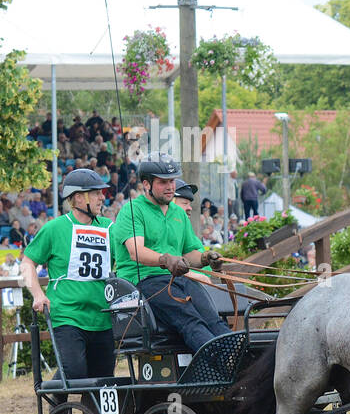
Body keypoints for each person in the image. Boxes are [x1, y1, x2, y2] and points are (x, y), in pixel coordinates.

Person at [112, 155, 229, 352]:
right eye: (163, 182)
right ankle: (220, 363)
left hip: (178, 280)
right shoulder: (132, 211)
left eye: (172, 181)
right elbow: (136, 252)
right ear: (147, 184)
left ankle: (237, 360)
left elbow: (189, 254)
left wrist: (204, 257)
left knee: (213, 320)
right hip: (144, 282)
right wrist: (165, 259)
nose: (170, 187)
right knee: (191, 322)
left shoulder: (178, 213)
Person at [20, 168, 116, 382]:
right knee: (74, 373)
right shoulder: (55, 228)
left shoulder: (110, 228)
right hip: (67, 314)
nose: (102, 197)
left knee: (103, 381)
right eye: (96, 193)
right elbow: (27, 262)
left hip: (103, 316)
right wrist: (38, 294)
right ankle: (55, 405)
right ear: (79, 198)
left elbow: (127, 261)